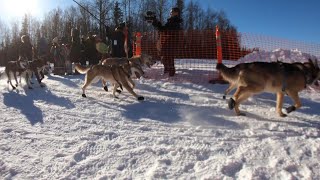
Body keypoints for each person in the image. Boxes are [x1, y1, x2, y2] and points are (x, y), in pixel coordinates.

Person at [151, 7, 183, 76]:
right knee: (165, 57)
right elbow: (163, 29)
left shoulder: (174, 21)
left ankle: (171, 74)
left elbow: (163, 29)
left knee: (169, 58)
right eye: (170, 12)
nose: (170, 13)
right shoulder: (171, 21)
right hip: (168, 42)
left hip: (171, 43)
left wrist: (156, 23)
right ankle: (167, 70)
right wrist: (155, 22)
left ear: (176, 13)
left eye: (172, 12)